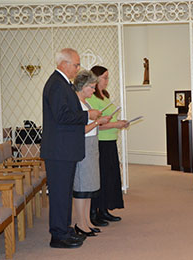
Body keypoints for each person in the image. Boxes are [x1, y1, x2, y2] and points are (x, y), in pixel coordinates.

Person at [41, 48, 101, 248]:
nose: (78, 68)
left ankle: (64, 230)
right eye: (76, 64)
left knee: (64, 193)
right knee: (59, 194)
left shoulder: (62, 84)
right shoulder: (57, 85)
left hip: (64, 149)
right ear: (63, 64)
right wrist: (88, 116)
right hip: (59, 151)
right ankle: (58, 235)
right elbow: (62, 117)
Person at [88, 65, 130, 226]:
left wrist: (120, 123)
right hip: (100, 142)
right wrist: (115, 124)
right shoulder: (91, 98)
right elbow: (95, 124)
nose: (107, 81)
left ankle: (104, 210)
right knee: (100, 178)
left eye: (107, 78)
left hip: (110, 141)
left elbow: (108, 120)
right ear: (96, 78)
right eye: (104, 77)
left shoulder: (104, 96)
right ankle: (94, 212)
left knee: (109, 177)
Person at [72, 70, 111, 237]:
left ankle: (87, 221)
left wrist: (98, 121)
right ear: (83, 87)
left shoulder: (85, 103)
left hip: (91, 146)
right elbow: (79, 130)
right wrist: (97, 122)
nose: (94, 91)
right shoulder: (77, 104)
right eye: (92, 87)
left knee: (89, 187)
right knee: (81, 187)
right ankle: (80, 223)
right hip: (83, 147)